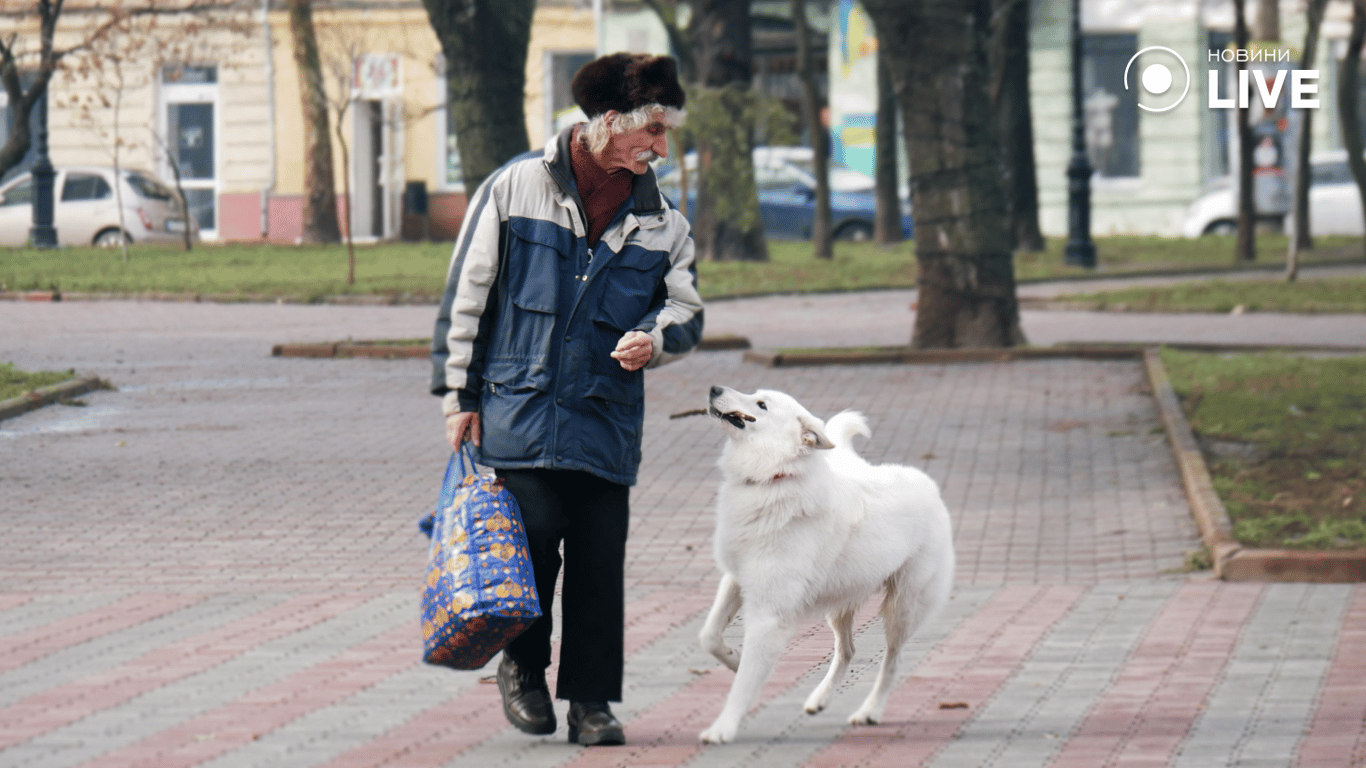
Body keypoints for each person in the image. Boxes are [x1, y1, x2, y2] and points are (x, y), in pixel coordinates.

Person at [430, 52, 703, 747]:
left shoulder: (663, 222)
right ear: (611, 124)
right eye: (654, 132)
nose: (662, 148)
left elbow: (688, 311)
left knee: (597, 560)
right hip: (518, 408)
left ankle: (591, 702)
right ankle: (521, 669)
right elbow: (468, 297)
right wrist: (458, 394)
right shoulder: (515, 188)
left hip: (605, 417)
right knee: (532, 547)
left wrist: (655, 338)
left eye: (667, 133)